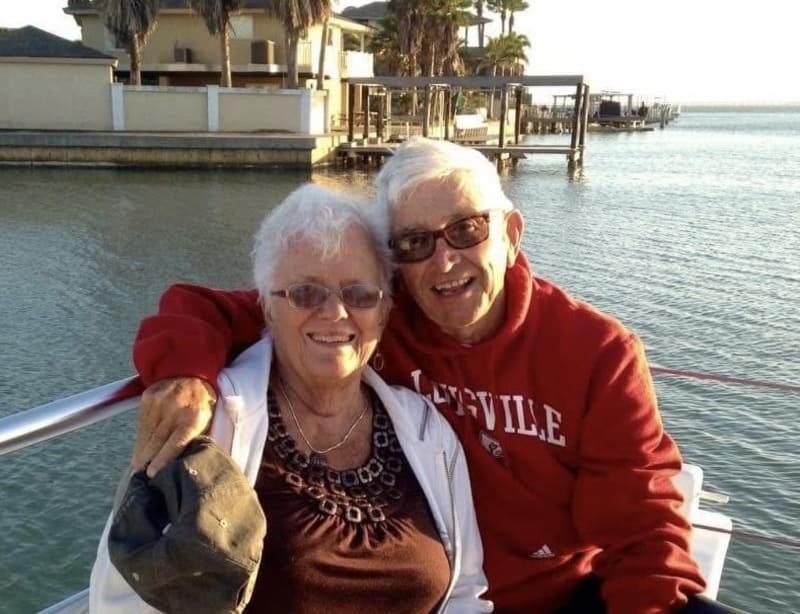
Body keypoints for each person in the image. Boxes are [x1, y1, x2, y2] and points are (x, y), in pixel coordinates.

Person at [130, 138, 729, 613]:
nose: (444, 261)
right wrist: (185, 372)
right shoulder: (378, 317)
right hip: (440, 592)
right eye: (415, 243)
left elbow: (645, 533)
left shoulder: (597, 353)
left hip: (557, 599)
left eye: (467, 229)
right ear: (395, 268)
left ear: (512, 235)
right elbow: (225, 306)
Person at [90, 183, 492, 613]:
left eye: (359, 294)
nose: (335, 313)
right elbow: (125, 597)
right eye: (306, 293)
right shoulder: (208, 424)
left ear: (385, 311)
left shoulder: (428, 431)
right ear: (265, 305)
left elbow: (466, 591)